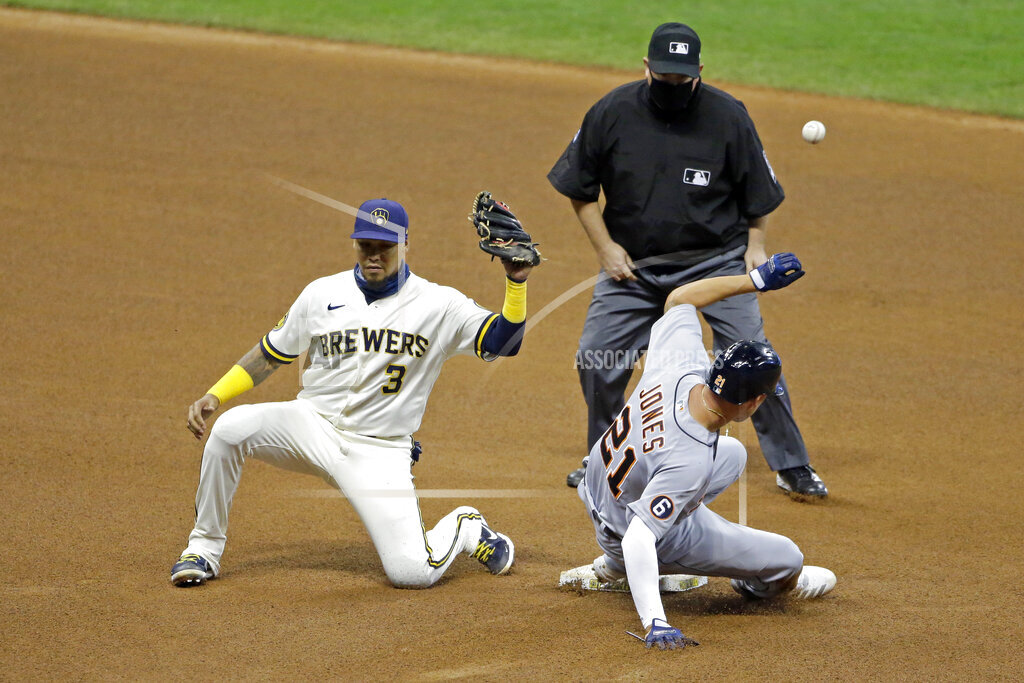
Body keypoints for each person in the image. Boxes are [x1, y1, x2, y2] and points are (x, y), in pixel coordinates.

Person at [170, 197, 533, 588]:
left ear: (405, 244)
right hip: (310, 427)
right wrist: (217, 394)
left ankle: (466, 528)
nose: (373, 255)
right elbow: (272, 352)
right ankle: (203, 549)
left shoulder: (439, 304)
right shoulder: (321, 293)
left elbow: (504, 342)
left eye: (385, 247)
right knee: (229, 431)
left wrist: (516, 283)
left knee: (412, 574)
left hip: (378, 451)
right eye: (365, 245)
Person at [548, 22, 827, 500]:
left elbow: (757, 193)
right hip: (632, 266)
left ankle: (792, 464)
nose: (672, 86)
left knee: (752, 355)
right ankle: (604, 456)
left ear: (698, 71)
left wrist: (755, 247)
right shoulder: (612, 112)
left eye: (682, 78)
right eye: (664, 77)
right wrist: (606, 249)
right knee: (597, 357)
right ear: (646, 67)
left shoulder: (728, 117)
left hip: (714, 261)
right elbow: (579, 190)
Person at [576, 253, 835, 649]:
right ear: (753, 404)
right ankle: (752, 584)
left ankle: (617, 560)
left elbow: (680, 299)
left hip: (599, 486)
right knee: (788, 558)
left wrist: (756, 281)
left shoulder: (683, 365)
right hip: (625, 531)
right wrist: (655, 622)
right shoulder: (689, 459)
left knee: (732, 455)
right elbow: (638, 538)